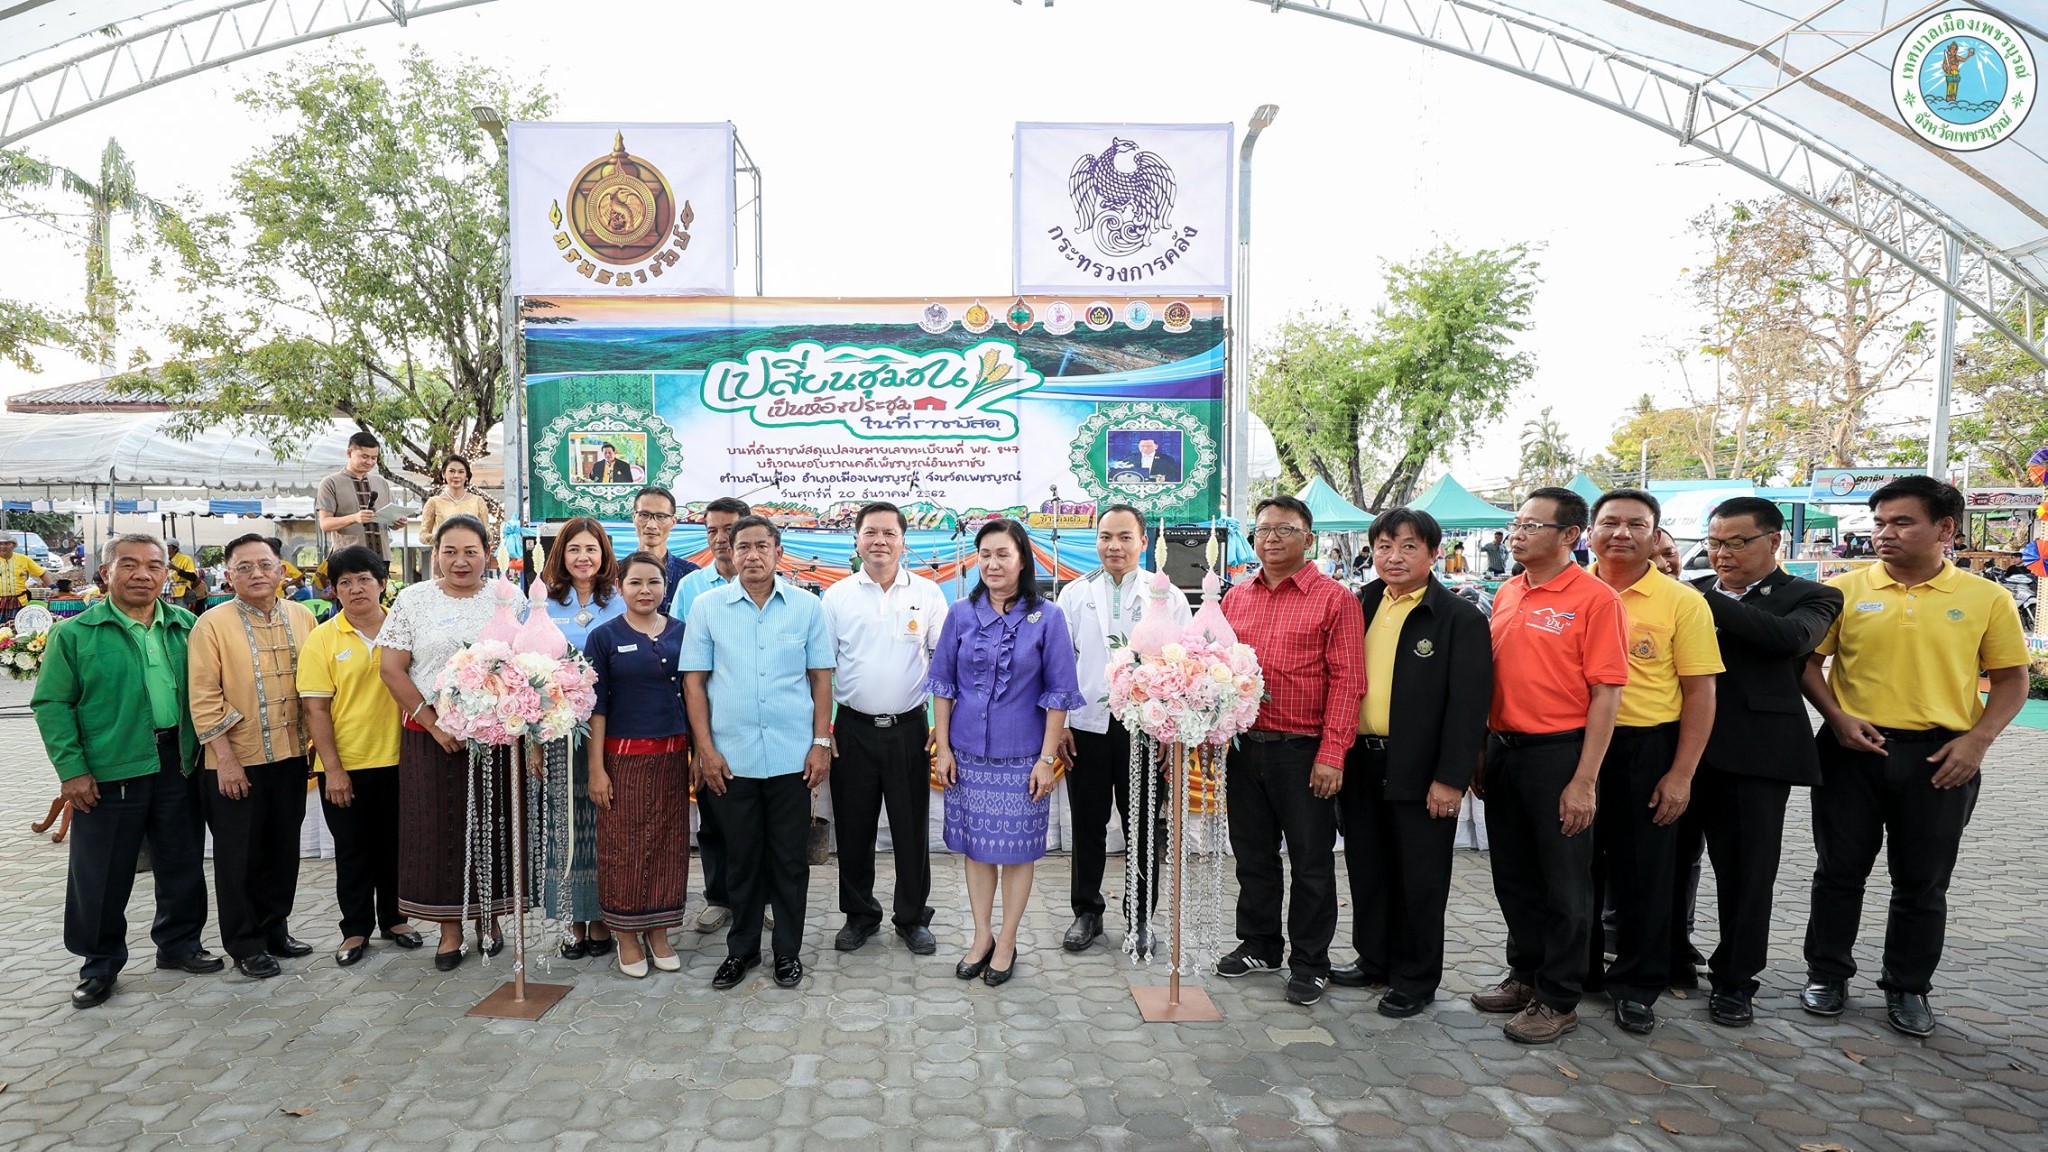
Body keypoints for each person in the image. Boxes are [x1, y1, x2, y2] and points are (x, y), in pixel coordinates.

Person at [1798, 476, 2028, 1037]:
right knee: (1838, 873)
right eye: (1879, 522)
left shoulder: (1985, 597)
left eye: (1902, 522)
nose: (1884, 533)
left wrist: (1977, 742)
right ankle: (1827, 974)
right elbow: (1807, 664)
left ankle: (1907, 987)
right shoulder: (1844, 591)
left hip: (1940, 758)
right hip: (1852, 751)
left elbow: (2012, 680)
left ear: (1945, 529)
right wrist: (1837, 716)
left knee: (1922, 882)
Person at [1673, 497, 1841, 1027]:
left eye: (1736, 542)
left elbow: (1789, 641)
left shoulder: (1811, 596)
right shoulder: (1687, 592)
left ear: (1774, 541)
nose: (1722, 554)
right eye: (1714, 542)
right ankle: (1669, 957)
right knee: (1666, 865)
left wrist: (1694, 600)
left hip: (1754, 760)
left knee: (1746, 876)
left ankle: (1736, 980)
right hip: (1675, 753)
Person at [33, 534, 220, 1009]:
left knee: (181, 861)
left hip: (177, 761)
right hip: (110, 767)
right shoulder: (75, 634)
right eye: (130, 565)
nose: (143, 574)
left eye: (154, 566)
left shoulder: (185, 626)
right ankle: (99, 964)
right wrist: (73, 770)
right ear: (105, 573)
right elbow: (52, 703)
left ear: (166, 574)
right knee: (101, 872)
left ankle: (179, 946)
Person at [1472, 487, 1628, 1044]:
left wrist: (1584, 780)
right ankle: (1525, 975)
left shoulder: (1596, 599)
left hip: (1559, 754)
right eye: (1516, 523)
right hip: (1504, 752)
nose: (1517, 533)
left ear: (1569, 536)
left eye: (1532, 525)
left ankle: (1559, 997)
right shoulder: (1508, 591)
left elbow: (1607, 696)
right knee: (1513, 876)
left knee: (1565, 884)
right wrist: (1481, 752)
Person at [1329, 509, 1491, 1017]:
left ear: (1433, 553)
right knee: (1368, 868)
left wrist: (1450, 779)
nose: (1393, 557)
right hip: (1361, 762)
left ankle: (1416, 978)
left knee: (1420, 879)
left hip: (1421, 770)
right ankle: (1374, 959)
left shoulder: (1459, 618)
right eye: (1383, 546)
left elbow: (1468, 708)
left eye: (1408, 547)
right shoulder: (1363, 603)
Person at [1215, 496, 1366, 1009]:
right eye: (1262, 529)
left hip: (1304, 754)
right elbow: (1219, 671)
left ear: (1309, 537)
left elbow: (1349, 682)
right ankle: (1260, 944)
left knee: (1311, 862)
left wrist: (1333, 754)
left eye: (1285, 529)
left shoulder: (1334, 600)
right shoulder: (1236, 597)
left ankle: (1310, 962)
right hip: (1245, 748)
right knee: (1253, 856)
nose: (1271, 538)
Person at [1582, 489, 1722, 1036]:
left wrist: (1681, 773)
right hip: (1571, 746)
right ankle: (1577, 974)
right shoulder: (1565, 591)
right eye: (1609, 522)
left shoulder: (1682, 602)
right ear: (1587, 531)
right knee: (1575, 871)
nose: (1621, 533)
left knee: (1645, 872)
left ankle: (1638, 986)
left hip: (1645, 748)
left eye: (1635, 524)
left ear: (1655, 535)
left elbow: (1701, 693)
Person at [682, 515, 835, 991]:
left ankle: (787, 952)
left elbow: (821, 679)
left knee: (790, 860)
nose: (751, 555)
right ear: (727, 551)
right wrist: (705, 750)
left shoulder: (808, 608)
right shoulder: (708, 607)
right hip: (731, 759)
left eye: (761, 546)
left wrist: (821, 742)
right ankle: (742, 950)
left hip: (793, 758)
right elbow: (694, 683)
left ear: (777, 552)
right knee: (741, 859)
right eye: (741, 546)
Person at [930, 518, 1085, 986]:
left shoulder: (1048, 617)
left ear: (1022, 560)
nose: (993, 564)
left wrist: (1045, 758)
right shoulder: (959, 612)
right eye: (985, 555)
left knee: (1017, 853)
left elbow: (1059, 692)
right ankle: (981, 937)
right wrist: (942, 747)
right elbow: (942, 686)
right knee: (977, 851)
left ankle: (1010, 939)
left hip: (1023, 758)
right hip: (968, 754)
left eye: (1003, 554)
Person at [378, 515, 516, 970]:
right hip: (429, 739)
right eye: (450, 551)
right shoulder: (413, 600)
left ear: (487, 555)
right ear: (435, 554)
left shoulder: (507, 598)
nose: (460, 561)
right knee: (437, 832)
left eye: (470, 551)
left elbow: (524, 664)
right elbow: (392, 669)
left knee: (493, 827)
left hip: (494, 740)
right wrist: (435, 724)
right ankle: (449, 931)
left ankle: (490, 920)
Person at [1055, 504, 1189, 956]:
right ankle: (1086, 912)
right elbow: (1059, 666)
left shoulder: (1165, 594)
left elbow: (1184, 663)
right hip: (1086, 728)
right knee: (1087, 823)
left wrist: (1170, 730)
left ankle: (1140, 919)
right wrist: (1061, 726)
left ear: (1143, 542)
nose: (1114, 546)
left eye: (1124, 537)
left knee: (1143, 826)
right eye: (1106, 537)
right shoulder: (1073, 594)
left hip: (1145, 729)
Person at [187, 534, 319, 980]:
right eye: (244, 567)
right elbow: (203, 697)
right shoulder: (212, 623)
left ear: (283, 570)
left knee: (282, 850)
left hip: (289, 756)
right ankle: (244, 942)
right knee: (238, 856)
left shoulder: (302, 616)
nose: (256, 574)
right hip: (234, 761)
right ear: (229, 576)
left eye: (264, 564)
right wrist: (224, 759)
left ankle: (275, 928)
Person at [821, 502, 947, 956]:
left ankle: (912, 917)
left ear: (902, 541)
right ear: (856, 540)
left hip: (910, 729)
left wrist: (940, 727)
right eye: (870, 532)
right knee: (854, 829)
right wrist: (823, 730)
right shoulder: (837, 597)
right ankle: (860, 915)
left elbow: (943, 666)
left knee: (912, 828)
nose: (879, 541)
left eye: (888, 533)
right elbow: (821, 668)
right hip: (852, 729)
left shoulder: (929, 594)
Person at [299, 545, 419, 967]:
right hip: (346, 765)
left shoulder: (404, 629)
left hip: (402, 760)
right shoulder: (323, 638)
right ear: (334, 590)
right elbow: (315, 708)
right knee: (353, 851)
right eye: (344, 582)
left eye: (364, 579)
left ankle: (395, 919)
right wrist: (333, 769)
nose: (355, 589)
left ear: (382, 583)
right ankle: (355, 929)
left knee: (396, 847)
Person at [584, 552, 691, 977]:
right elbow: (596, 707)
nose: (645, 591)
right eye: (635, 583)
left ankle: (659, 930)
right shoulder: (604, 636)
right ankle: (627, 935)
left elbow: (697, 695)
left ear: (666, 587)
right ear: (620, 588)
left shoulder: (684, 632)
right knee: (622, 848)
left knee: (668, 844)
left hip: (672, 758)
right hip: (623, 759)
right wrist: (596, 770)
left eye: (653, 583)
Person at [537, 517, 628, 959]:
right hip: (559, 732)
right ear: (561, 555)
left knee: (606, 825)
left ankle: (606, 920)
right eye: (574, 549)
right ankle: (575, 923)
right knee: (565, 827)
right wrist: (534, 740)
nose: (583, 557)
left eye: (591, 549)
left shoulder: (622, 601)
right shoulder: (541, 605)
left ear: (604, 554)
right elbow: (526, 673)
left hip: (613, 730)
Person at [671, 496, 750, 933]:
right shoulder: (691, 589)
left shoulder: (778, 589)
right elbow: (685, 669)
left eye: (730, 530)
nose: (721, 540)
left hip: (760, 727)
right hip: (710, 727)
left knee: (764, 822)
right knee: (715, 820)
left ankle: (765, 898)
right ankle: (719, 898)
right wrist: (697, 742)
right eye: (712, 532)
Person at [317, 431, 403, 559]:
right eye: (364, 456)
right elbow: (325, 524)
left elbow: (390, 521)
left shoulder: (381, 483)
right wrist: (354, 518)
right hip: (348, 557)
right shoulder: (331, 483)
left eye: (374, 458)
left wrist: (398, 522)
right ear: (349, 453)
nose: (369, 462)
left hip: (381, 557)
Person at [419, 455, 491, 570]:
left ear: (466, 475)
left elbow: (488, 533)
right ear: (444, 474)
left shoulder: (478, 501)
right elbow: (423, 536)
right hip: (444, 558)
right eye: (452, 471)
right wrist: (442, 537)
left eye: (461, 472)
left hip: (471, 557)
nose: (456, 476)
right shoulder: (434, 502)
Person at [631, 485, 701, 596]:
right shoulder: (616, 573)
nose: (651, 525)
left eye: (661, 516)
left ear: (673, 522)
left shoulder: (691, 575)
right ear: (634, 517)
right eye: (644, 515)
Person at [0, 534, 46, 623]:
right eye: (0, 544)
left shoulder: (24, 559)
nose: (3, 546)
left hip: (19, 603)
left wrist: (54, 587)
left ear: (13, 545)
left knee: (17, 629)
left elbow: (42, 573)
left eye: (6, 543)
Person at [164, 539, 206, 613]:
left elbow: (192, 577)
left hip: (181, 592)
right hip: (167, 592)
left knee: (181, 615)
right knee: (169, 614)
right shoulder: (165, 560)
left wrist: (176, 568)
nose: (165, 549)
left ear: (175, 548)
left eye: (167, 547)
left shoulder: (186, 559)